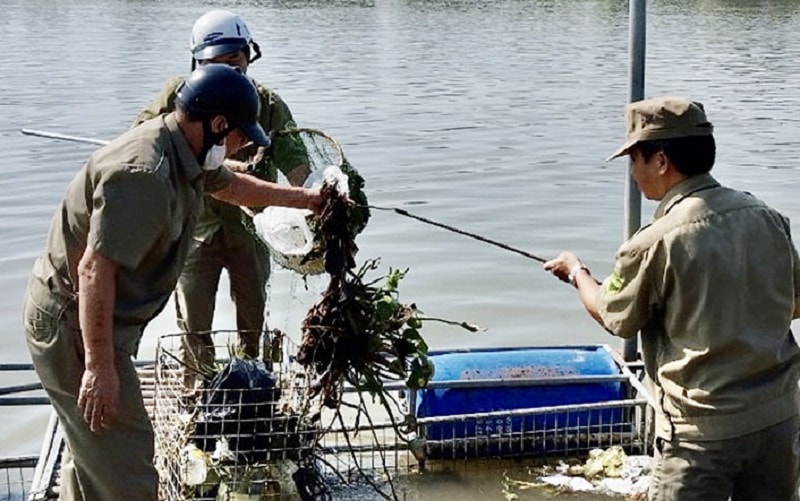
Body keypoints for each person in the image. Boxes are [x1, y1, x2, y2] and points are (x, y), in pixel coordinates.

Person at [22, 63, 322, 501]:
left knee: (92, 456)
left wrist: (307, 200)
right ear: (218, 125)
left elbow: (236, 187)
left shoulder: (186, 148)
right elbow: (94, 270)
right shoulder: (144, 174)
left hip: (92, 321)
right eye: (240, 136)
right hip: (74, 325)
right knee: (129, 469)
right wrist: (99, 368)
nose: (242, 146)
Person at [544, 96, 800, 500]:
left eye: (635, 160)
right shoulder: (767, 216)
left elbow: (615, 316)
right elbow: (794, 303)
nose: (632, 172)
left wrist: (577, 273)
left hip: (701, 435)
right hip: (777, 419)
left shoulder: (653, 242)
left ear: (661, 161)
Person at [133, 10, 312, 367]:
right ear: (198, 63)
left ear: (249, 56)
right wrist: (218, 164)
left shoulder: (267, 105)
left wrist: (313, 199)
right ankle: (197, 388)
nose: (231, 71)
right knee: (193, 320)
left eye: (236, 62)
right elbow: (142, 143)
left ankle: (251, 377)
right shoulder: (179, 96)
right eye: (218, 63)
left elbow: (298, 165)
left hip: (253, 228)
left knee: (252, 316)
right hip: (195, 228)